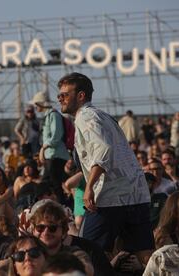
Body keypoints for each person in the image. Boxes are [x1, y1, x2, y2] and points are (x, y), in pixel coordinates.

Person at [57, 72, 153, 265]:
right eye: (59, 96)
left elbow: (104, 149)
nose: (60, 99)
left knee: (88, 253)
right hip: (136, 193)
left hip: (109, 197)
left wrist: (89, 187)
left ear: (81, 95)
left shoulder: (85, 116)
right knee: (146, 257)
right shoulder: (104, 116)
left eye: (65, 95)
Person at [30, 91, 70, 204]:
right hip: (51, 156)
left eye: (36, 105)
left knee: (53, 184)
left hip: (56, 156)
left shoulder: (53, 115)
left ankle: (61, 207)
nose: (35, 107)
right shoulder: (48, 116)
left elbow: (56, 135)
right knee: (51, 184)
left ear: (40, 104)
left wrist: (44, 148)